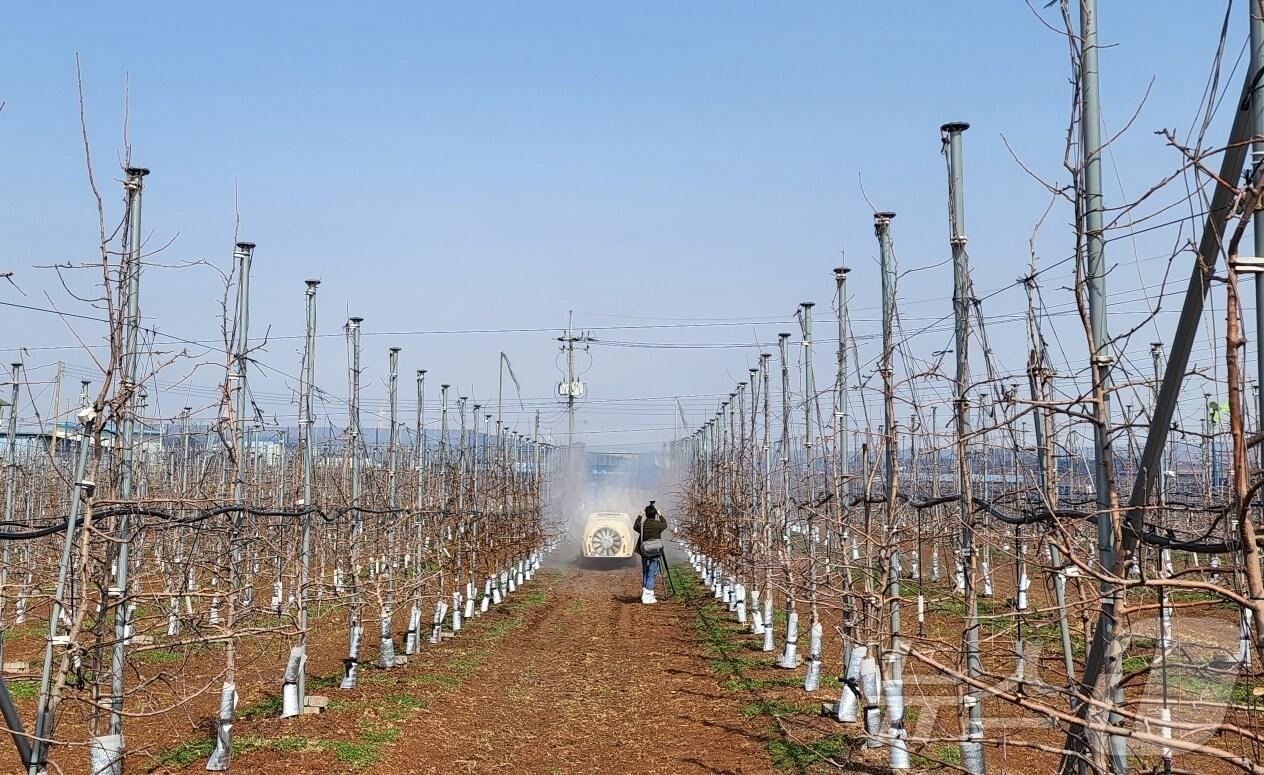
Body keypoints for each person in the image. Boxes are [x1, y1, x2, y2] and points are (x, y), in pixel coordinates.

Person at [634, 501, 668, 604]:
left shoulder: (642, 525)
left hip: (644, 552)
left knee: (646, 572)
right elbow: (665, 524)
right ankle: (647, 595)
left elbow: (635, 526)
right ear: (655, 514)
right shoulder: (658, 525)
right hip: (655, 552)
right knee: (652, 573)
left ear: (646, 514)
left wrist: (640, 515)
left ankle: (645, 591)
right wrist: (660, 515)